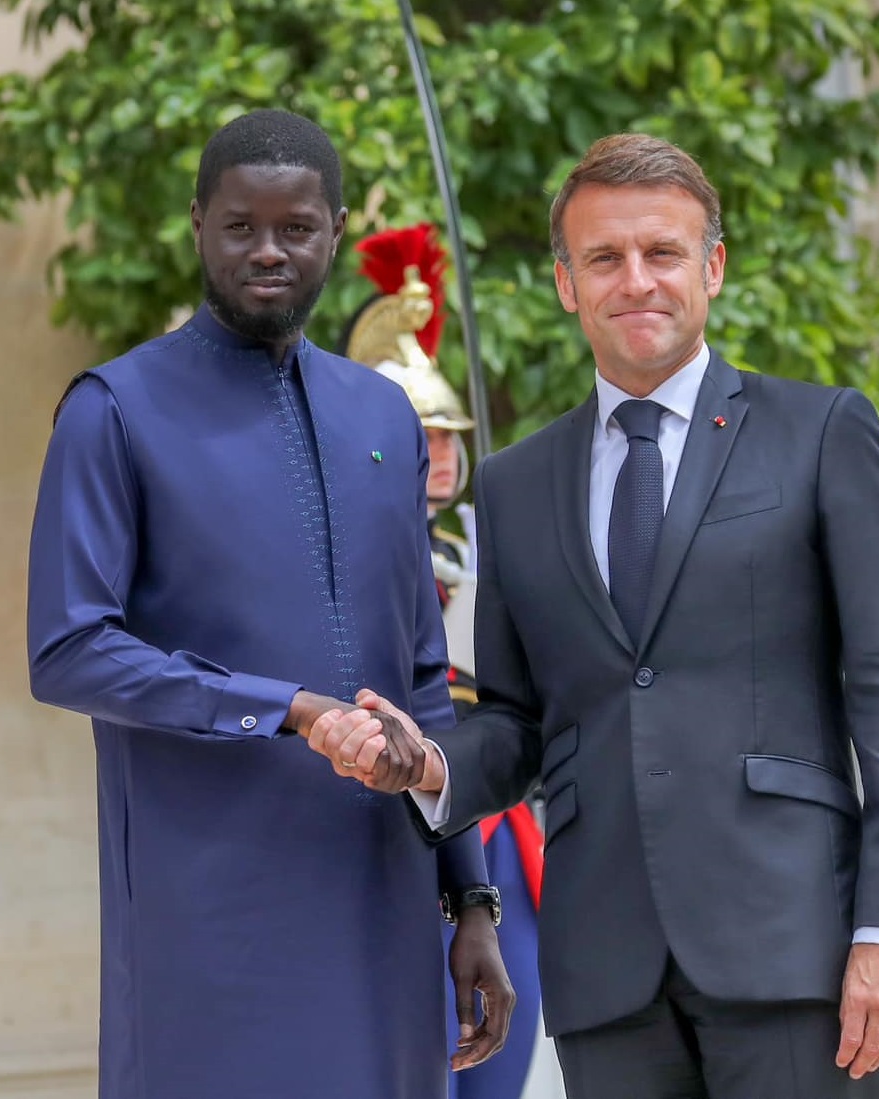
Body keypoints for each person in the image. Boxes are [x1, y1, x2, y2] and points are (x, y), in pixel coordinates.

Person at [316, 133, 879, 1098]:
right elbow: (520, 719)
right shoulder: (517, 483)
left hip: (795, 952)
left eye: (662, 252)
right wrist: (430, 761)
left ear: (712, 267)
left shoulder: (822, 432)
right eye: (604, 257)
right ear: (566, 283)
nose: (637, 280)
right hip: (607, 971)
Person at [25, 108, 512, 1099]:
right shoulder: (112, 410)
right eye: (240, 226)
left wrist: (471, 896)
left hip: (382, 906)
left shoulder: (383, 415)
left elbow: (422, 676)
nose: (267, 252)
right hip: (207, 917)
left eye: (296, 228)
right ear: (197, 224)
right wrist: (288, 708)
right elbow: (68, 648)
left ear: (335, 230)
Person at [339, 223, 564, 1099]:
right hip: (383, 827)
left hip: (490, 823)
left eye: (445, 432)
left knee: (502, 1058)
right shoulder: (347, 551)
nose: (437, 450)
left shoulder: (482, 541)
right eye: (417, 431)